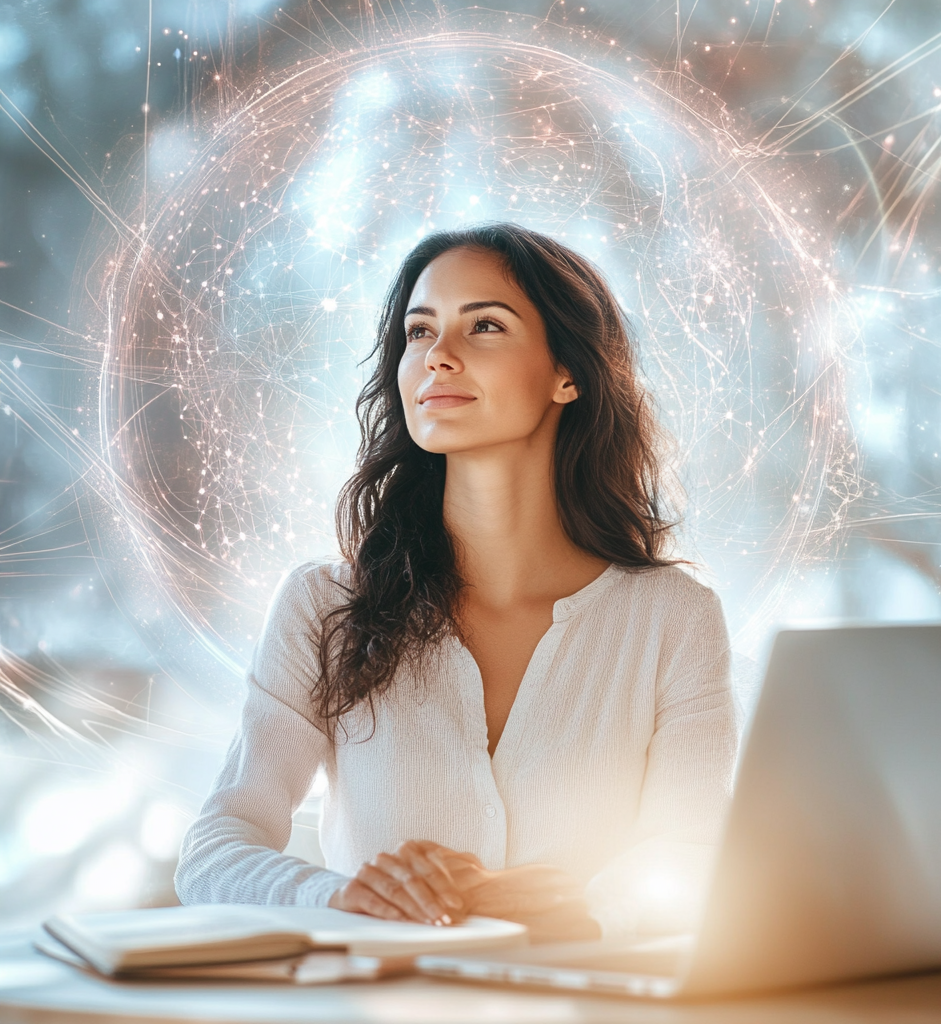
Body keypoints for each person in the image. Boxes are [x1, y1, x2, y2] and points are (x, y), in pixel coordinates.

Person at [175, 223, 737, 942]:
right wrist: (344, 898)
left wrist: (585, 907)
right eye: (418, 332)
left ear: (568, 372)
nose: (438, 357)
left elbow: (693, 851)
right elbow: (215, 851)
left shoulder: (674, 616)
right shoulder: (325, 606)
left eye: (485, 326)